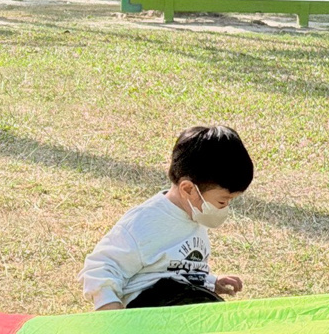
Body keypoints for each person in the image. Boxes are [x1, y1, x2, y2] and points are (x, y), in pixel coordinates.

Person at [81, 125, 254, 310]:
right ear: (188, 189)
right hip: (152, 304)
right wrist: (112, 312)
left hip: (187, 298)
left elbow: (179, 268)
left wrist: (211, 282)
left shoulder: (194, 213)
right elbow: (100, 267)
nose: (225, 208)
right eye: (222, 201)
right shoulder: (145, 222)